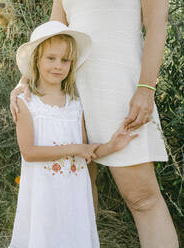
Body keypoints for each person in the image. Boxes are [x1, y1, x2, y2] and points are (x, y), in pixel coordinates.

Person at [10, 1, 179, 247]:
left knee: (142, 198)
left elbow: (156, 23)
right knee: (77, 194)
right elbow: (55, 27)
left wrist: (146, 87)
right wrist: (25, 79)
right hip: (67, 87)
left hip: (117, 87)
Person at [9, 21, 138, 248]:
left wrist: (112, 145)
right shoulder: (26, 104)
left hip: (73, 195)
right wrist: (75, 149)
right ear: (36, 60)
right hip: (44, 195)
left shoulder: (75, 105)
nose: (58, 65)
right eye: (51, 58)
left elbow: (85, 149)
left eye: (65, 60)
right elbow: (28, 152)